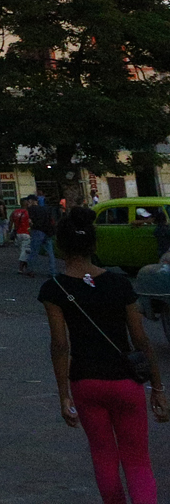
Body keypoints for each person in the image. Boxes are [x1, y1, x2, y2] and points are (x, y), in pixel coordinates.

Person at [40, 205, 169, 504]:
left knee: (103, 456)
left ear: (61, 246)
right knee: (137, 460)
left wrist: (64, 395)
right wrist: (158, 388)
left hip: (86, 382)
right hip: (125, 381)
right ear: (94, 245)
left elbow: (60, 345)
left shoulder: (54, 288)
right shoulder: (119, 284)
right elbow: (141, 340)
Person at [28, 194, 59, 277]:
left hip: (37, 230)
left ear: (31, 201)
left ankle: (31, 270)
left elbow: (30, 221)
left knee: (34, 251)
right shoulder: (45, 209)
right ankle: (53, 271)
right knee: (50, 253)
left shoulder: (31, 209)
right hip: (47, 231)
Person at [13, 200, 34, 266]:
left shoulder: (15, 212)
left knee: (21, 250)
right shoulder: (27, 213)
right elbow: (30, 223)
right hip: (26, 232)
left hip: (18, 233)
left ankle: (24, 265)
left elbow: (11, 221)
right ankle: (21, 266)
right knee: (25, 251)